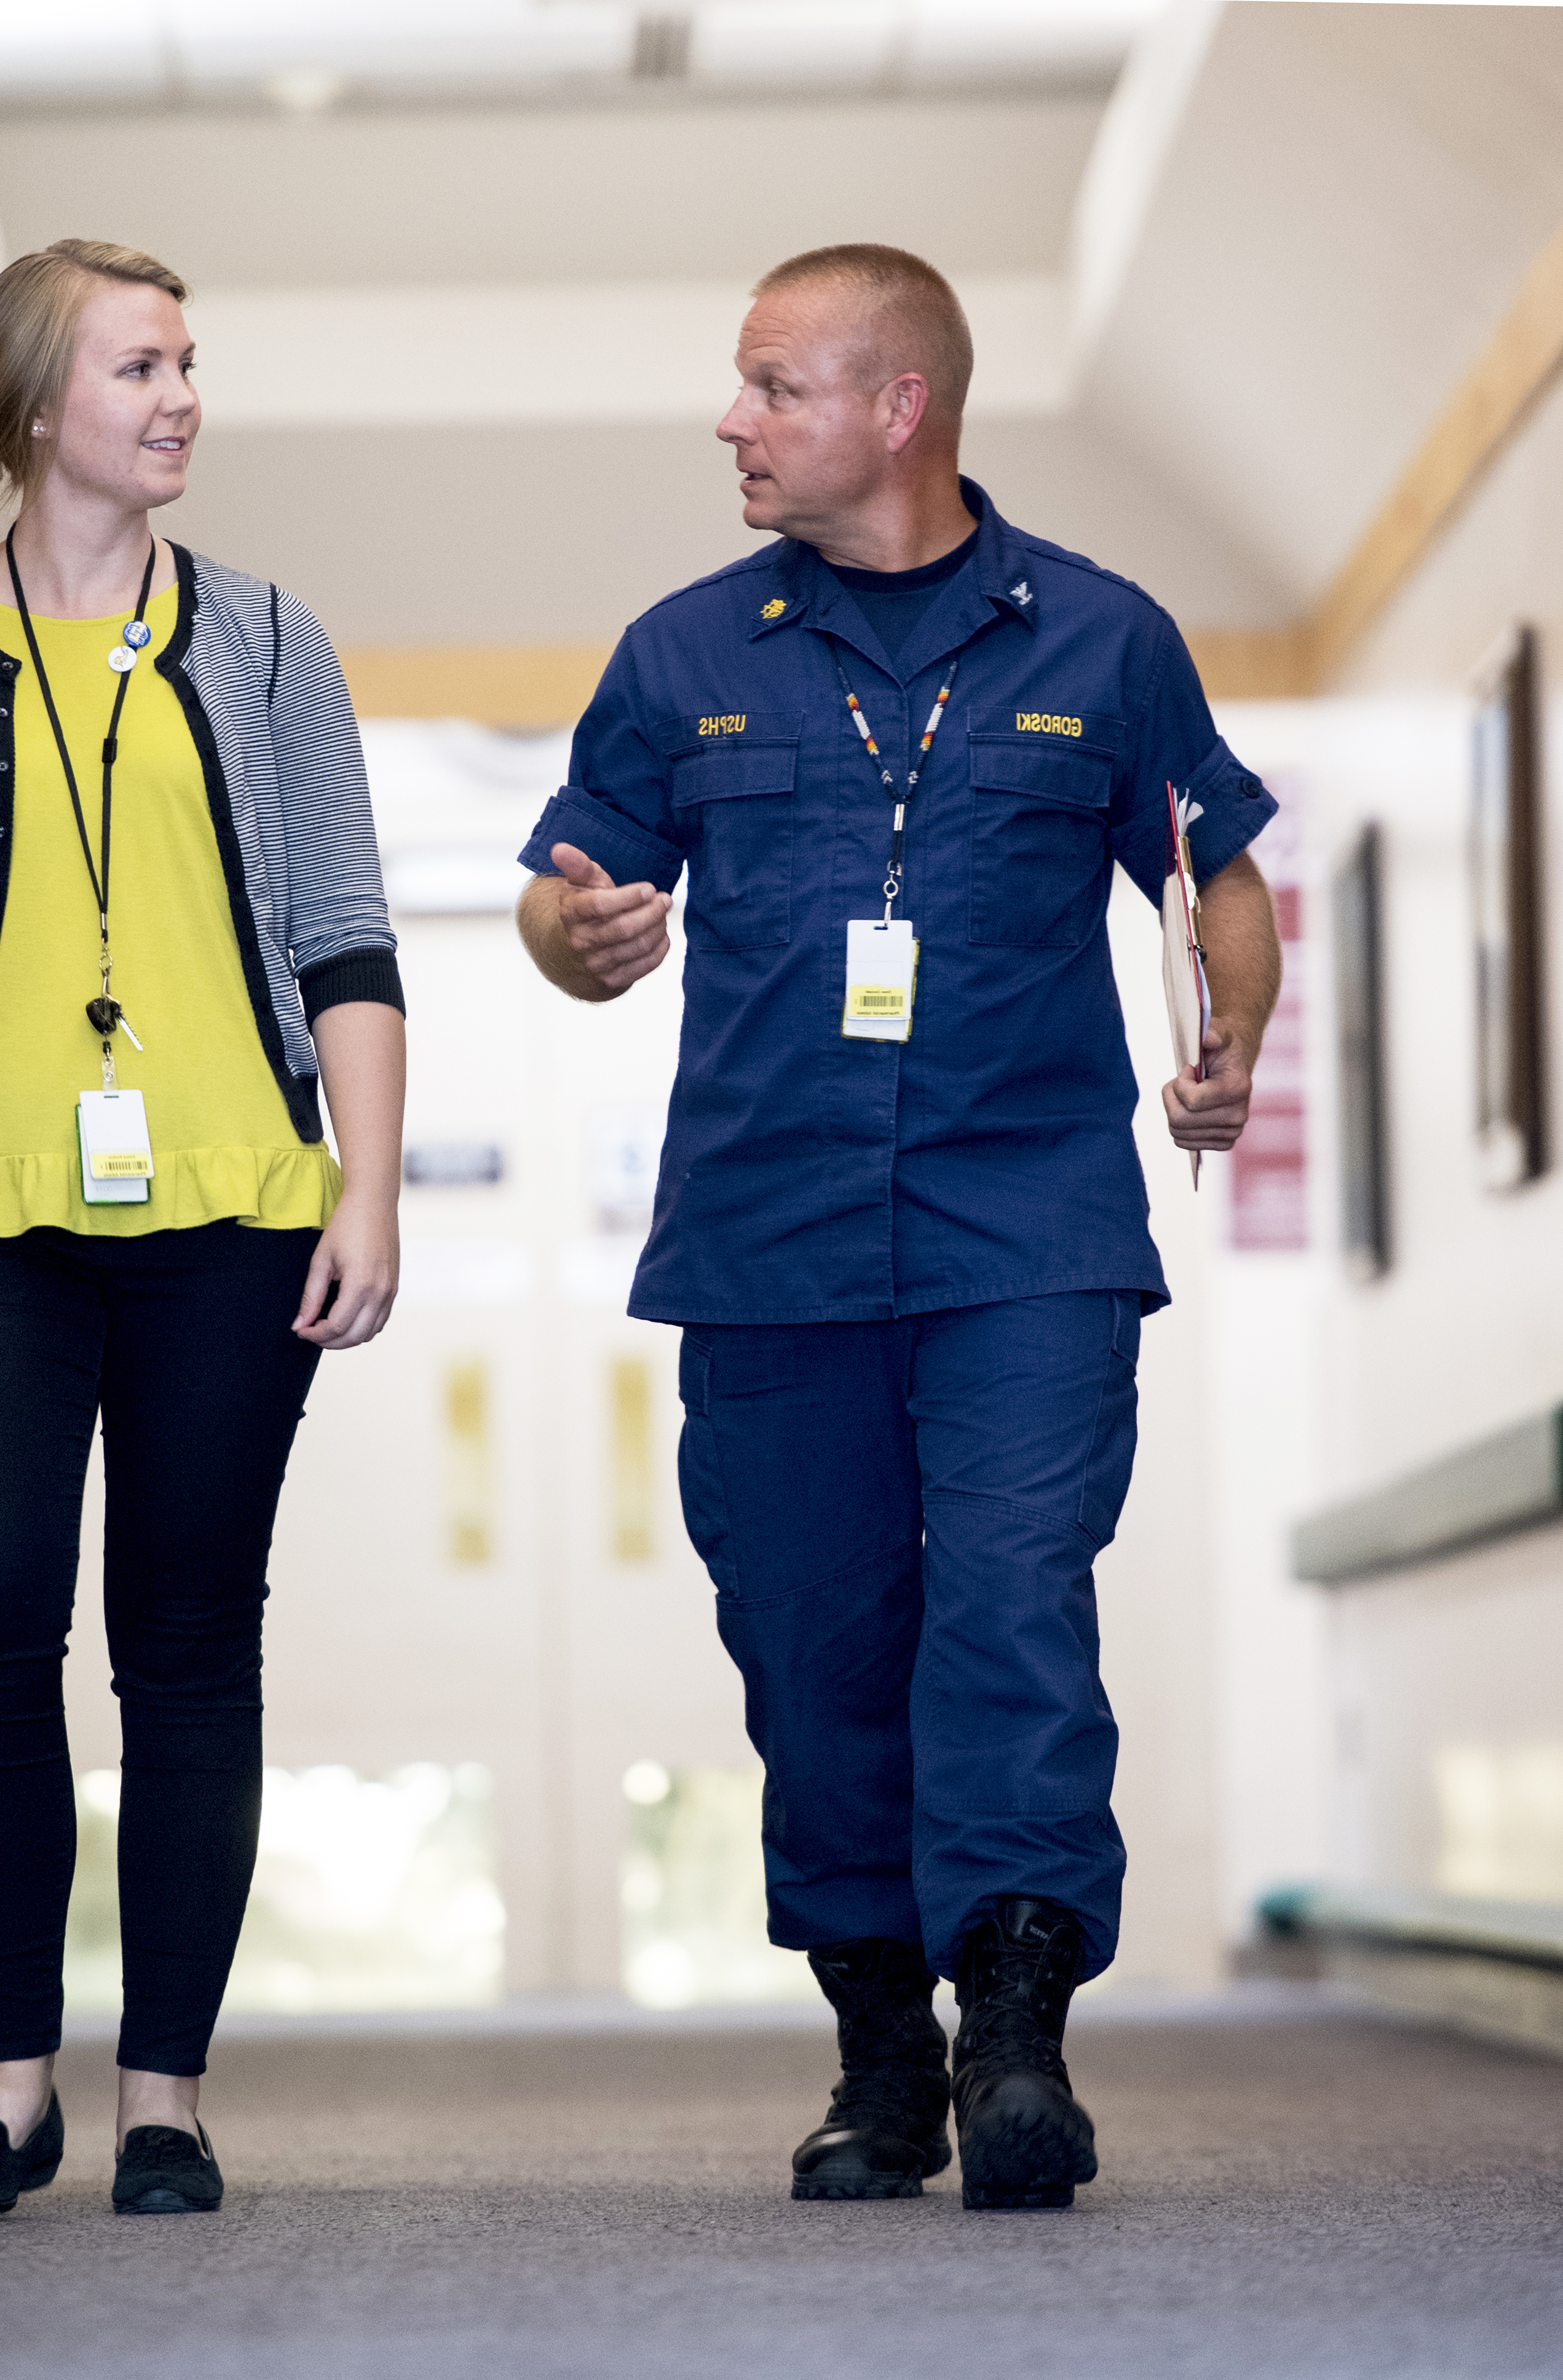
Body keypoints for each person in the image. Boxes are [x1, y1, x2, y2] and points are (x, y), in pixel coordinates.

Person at [515, 244, 1279, 2212]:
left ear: (897, 408)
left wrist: (1232, 1039)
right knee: (812, 1640)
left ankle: (1017, 2031)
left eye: (773, 385)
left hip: (1030, 1219)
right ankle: (881, 2052)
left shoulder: (1104, 643)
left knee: (1015, 1599)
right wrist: (578, 938)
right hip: (767, 1235)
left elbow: (1223, 874)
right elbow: (567, 886)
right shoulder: (684, 655)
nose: (732, 419)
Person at [0, 239, 405, 2220]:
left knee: (185, 1639)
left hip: (235, 1202)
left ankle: (163, 2095)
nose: (181, 398)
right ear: (39, 404)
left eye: (189, 363)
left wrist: (370, 1184)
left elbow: (346, 934)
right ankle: (7, 2084)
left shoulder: (268, 638)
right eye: (141, 365)